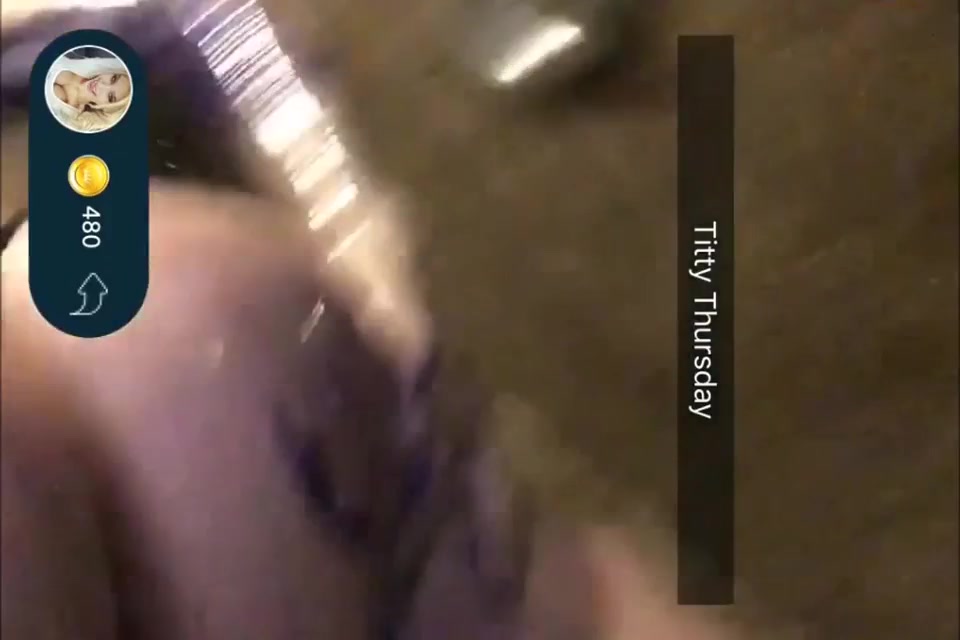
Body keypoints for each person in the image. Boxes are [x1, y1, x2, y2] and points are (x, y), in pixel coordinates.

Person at [45, 54, 131, 132]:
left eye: (110, 97)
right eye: (113, 78)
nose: (101, 85)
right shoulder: (88, 66)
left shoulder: (70, 117)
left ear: (106, 108)